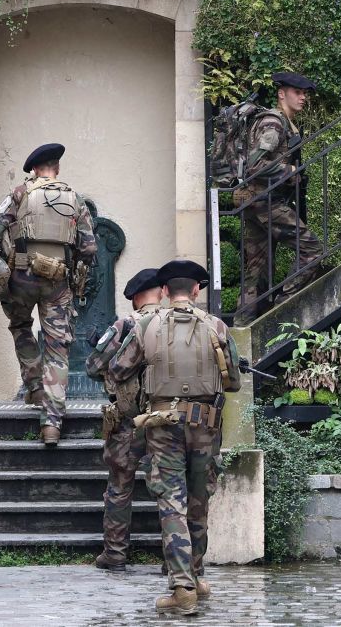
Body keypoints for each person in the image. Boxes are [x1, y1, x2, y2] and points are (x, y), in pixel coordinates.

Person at [107, 259, 241, 616]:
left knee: (171, 502)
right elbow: (235, 381)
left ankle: (182, 586)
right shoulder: (217, 327)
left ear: (164, 292)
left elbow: (119, 369)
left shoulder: (147, 326)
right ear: (196, 291)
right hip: (206, 425)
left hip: (162, 426)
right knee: (199, 500)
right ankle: (195, 576)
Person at [0, 143, 97, 446]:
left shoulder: (19, 194)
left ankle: (33, 386)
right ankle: (51, 423)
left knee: (20, 326)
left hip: (21, 277)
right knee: (58, 349)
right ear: (57, 168)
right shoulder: (76, 199)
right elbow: (89, 249)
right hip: (58, 282)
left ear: (34, 169)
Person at [84, 267, 164, 572]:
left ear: (135, 298)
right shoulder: (175, 323)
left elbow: (93, 366)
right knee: (171, 485)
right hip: (168, 419)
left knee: (120, 485)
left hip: (129, 421)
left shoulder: (126, 325)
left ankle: (115, 552)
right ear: (162, 291)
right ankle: (177, 556)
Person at [232, 72, 324, 322]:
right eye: (297, 92)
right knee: (312, 250)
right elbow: (255, 166)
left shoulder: (284, 122)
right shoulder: (273, 123)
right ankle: (281, 309)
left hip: (255, 200)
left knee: (257, 268)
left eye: (305, 93)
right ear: (282, 94)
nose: (303, 97)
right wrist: (291, 171)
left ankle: (243, 324)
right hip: (264, 200)